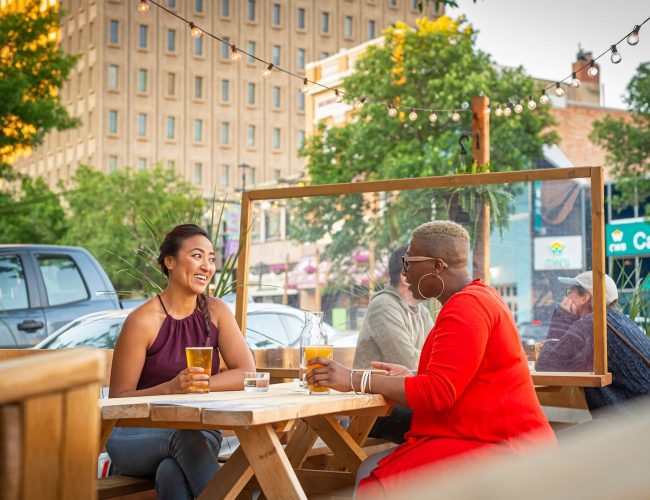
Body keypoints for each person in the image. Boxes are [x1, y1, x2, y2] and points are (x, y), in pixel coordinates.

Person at [305, 221, 555, 500]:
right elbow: (457, 375)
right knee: (369, 469)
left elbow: (439, 392)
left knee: (376, 479)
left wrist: (352, 379)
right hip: (500, 437)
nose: (404, 272)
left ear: (437, 266)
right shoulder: (481, 297)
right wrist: (412, 375)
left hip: (501, 445)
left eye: (409, 261)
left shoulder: (465, 307)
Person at [106, 224, 255, 500]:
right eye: (197, 256)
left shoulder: (217, 311)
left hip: (199, 431)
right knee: (182, 437)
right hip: (135, 437)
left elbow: (247, 372)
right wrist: (171, 388)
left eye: (211, 258)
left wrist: (201, 383)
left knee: (171, 473)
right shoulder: (143, 321)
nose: (207, 266)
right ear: (170, 261)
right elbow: (118, 401)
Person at [535, 271, 650, 416]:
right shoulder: (618, 319)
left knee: (559, 437)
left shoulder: (591, 324)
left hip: (632, 425)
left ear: (585, 297)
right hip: (640, 418)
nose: (565, 297)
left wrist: (562, 319)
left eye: (570, 292)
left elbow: (545, 365)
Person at [353, 245, 433, 444]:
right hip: (374, 408)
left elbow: (435, 356)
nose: (435, 279)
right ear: (406, 277)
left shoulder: (422, 312)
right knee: (440, 421)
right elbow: (409, 362)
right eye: (430, 273)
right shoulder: (384, 305)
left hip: (400, 400)